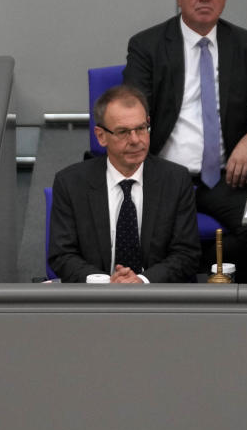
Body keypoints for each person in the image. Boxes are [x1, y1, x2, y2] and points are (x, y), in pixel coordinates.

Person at [123, 0, 247, 283]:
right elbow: (132, 113)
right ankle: (185, 267)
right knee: (147, 242)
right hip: (163, 176)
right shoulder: (148, 45)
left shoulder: (242, 44)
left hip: (223, 178)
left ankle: (221, 289)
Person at [48, 85, 201, 283]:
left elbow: (187, 254)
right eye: (123, 132)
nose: (136, 140)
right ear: (101, 136)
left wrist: (142, 281)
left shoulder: (175, 180)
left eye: (141, 128)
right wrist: (107, 283)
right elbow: (62, 255)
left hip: (156, 299)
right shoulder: (70, 183)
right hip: (95, 301)